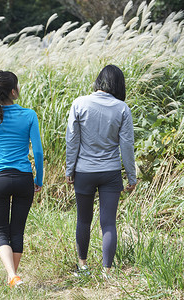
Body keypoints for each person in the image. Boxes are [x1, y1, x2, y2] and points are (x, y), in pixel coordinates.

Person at [65, 65, 137, 279]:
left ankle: (83, 267)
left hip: (84, 172)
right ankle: (107, 272)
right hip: (111, 172)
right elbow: (127, 146)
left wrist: (69, 170)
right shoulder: (122, 108)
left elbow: (72, 140)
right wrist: (131, 176)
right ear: (118, 85)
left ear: (99, 81)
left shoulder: (79, 103)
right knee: (108, 223)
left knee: (83, 220)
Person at [0, 71, 43, 288]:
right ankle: (13, 276)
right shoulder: (29, 115)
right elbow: (39, 153)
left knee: (1, 231)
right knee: (17, 231)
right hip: (24, 178)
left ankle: (12, 275)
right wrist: (39, 179)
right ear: (13, 91)